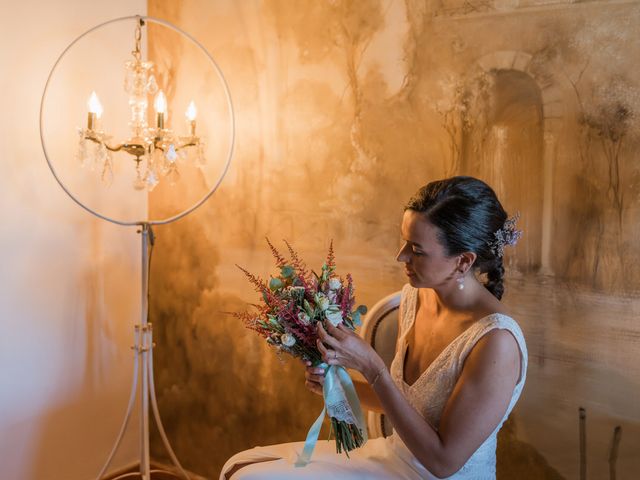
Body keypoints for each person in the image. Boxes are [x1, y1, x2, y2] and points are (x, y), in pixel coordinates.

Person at [221, 176, 527, 479]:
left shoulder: (496, 342)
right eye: (404, 241)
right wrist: (336, 387)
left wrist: (372, 367)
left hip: (435, 475)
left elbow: (444, 462)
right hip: (393, 456)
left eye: (417, 250)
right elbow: (409, 406)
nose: (401, 256)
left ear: (463, 261)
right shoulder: (416, 296)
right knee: (240, 465)